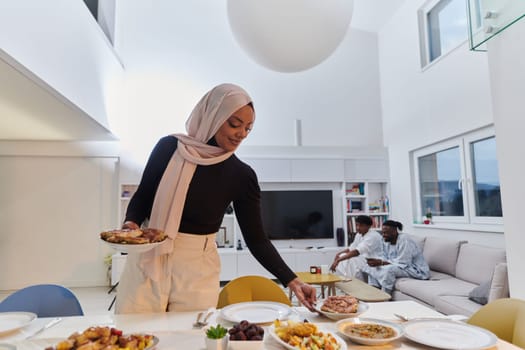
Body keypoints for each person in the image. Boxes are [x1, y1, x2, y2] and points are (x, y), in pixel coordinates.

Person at [115, 83, 316, 314]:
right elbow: (144, 195)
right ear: (212, 116)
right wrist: (130, 225)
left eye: (248, 129)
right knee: (134, 335)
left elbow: (257, 239)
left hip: (198, 268)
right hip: (149, 256)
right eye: (234, 124)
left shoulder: (241, 175)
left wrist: (293, 280)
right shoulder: (169, 148)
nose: (241, 134)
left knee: (190, 337)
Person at [363, 220, 430, 295]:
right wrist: (377, 261)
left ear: (394, 232)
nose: (383, 235)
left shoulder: (405, 239)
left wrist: (382, 262)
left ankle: (384, 297)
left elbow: (404, 262)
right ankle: (373, 293)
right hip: (401, 266)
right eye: (382, 232)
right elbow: (385, 257)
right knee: (373, 267)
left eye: (386, 233)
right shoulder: (386, 240)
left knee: (389, 270)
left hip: (414, 269)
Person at [329, 215, 383, 280]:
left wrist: (338, 260)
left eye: (361, 226)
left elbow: (356, 252)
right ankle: (346, 280)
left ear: (368, 226)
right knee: (343, 255)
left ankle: (356, 282)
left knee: (351, 260)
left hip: (375, 260)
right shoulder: (359, 234)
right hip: (364, 258)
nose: (358, 228)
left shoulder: (373, 236)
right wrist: (338, 254)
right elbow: (351, 248)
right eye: (357, 225)